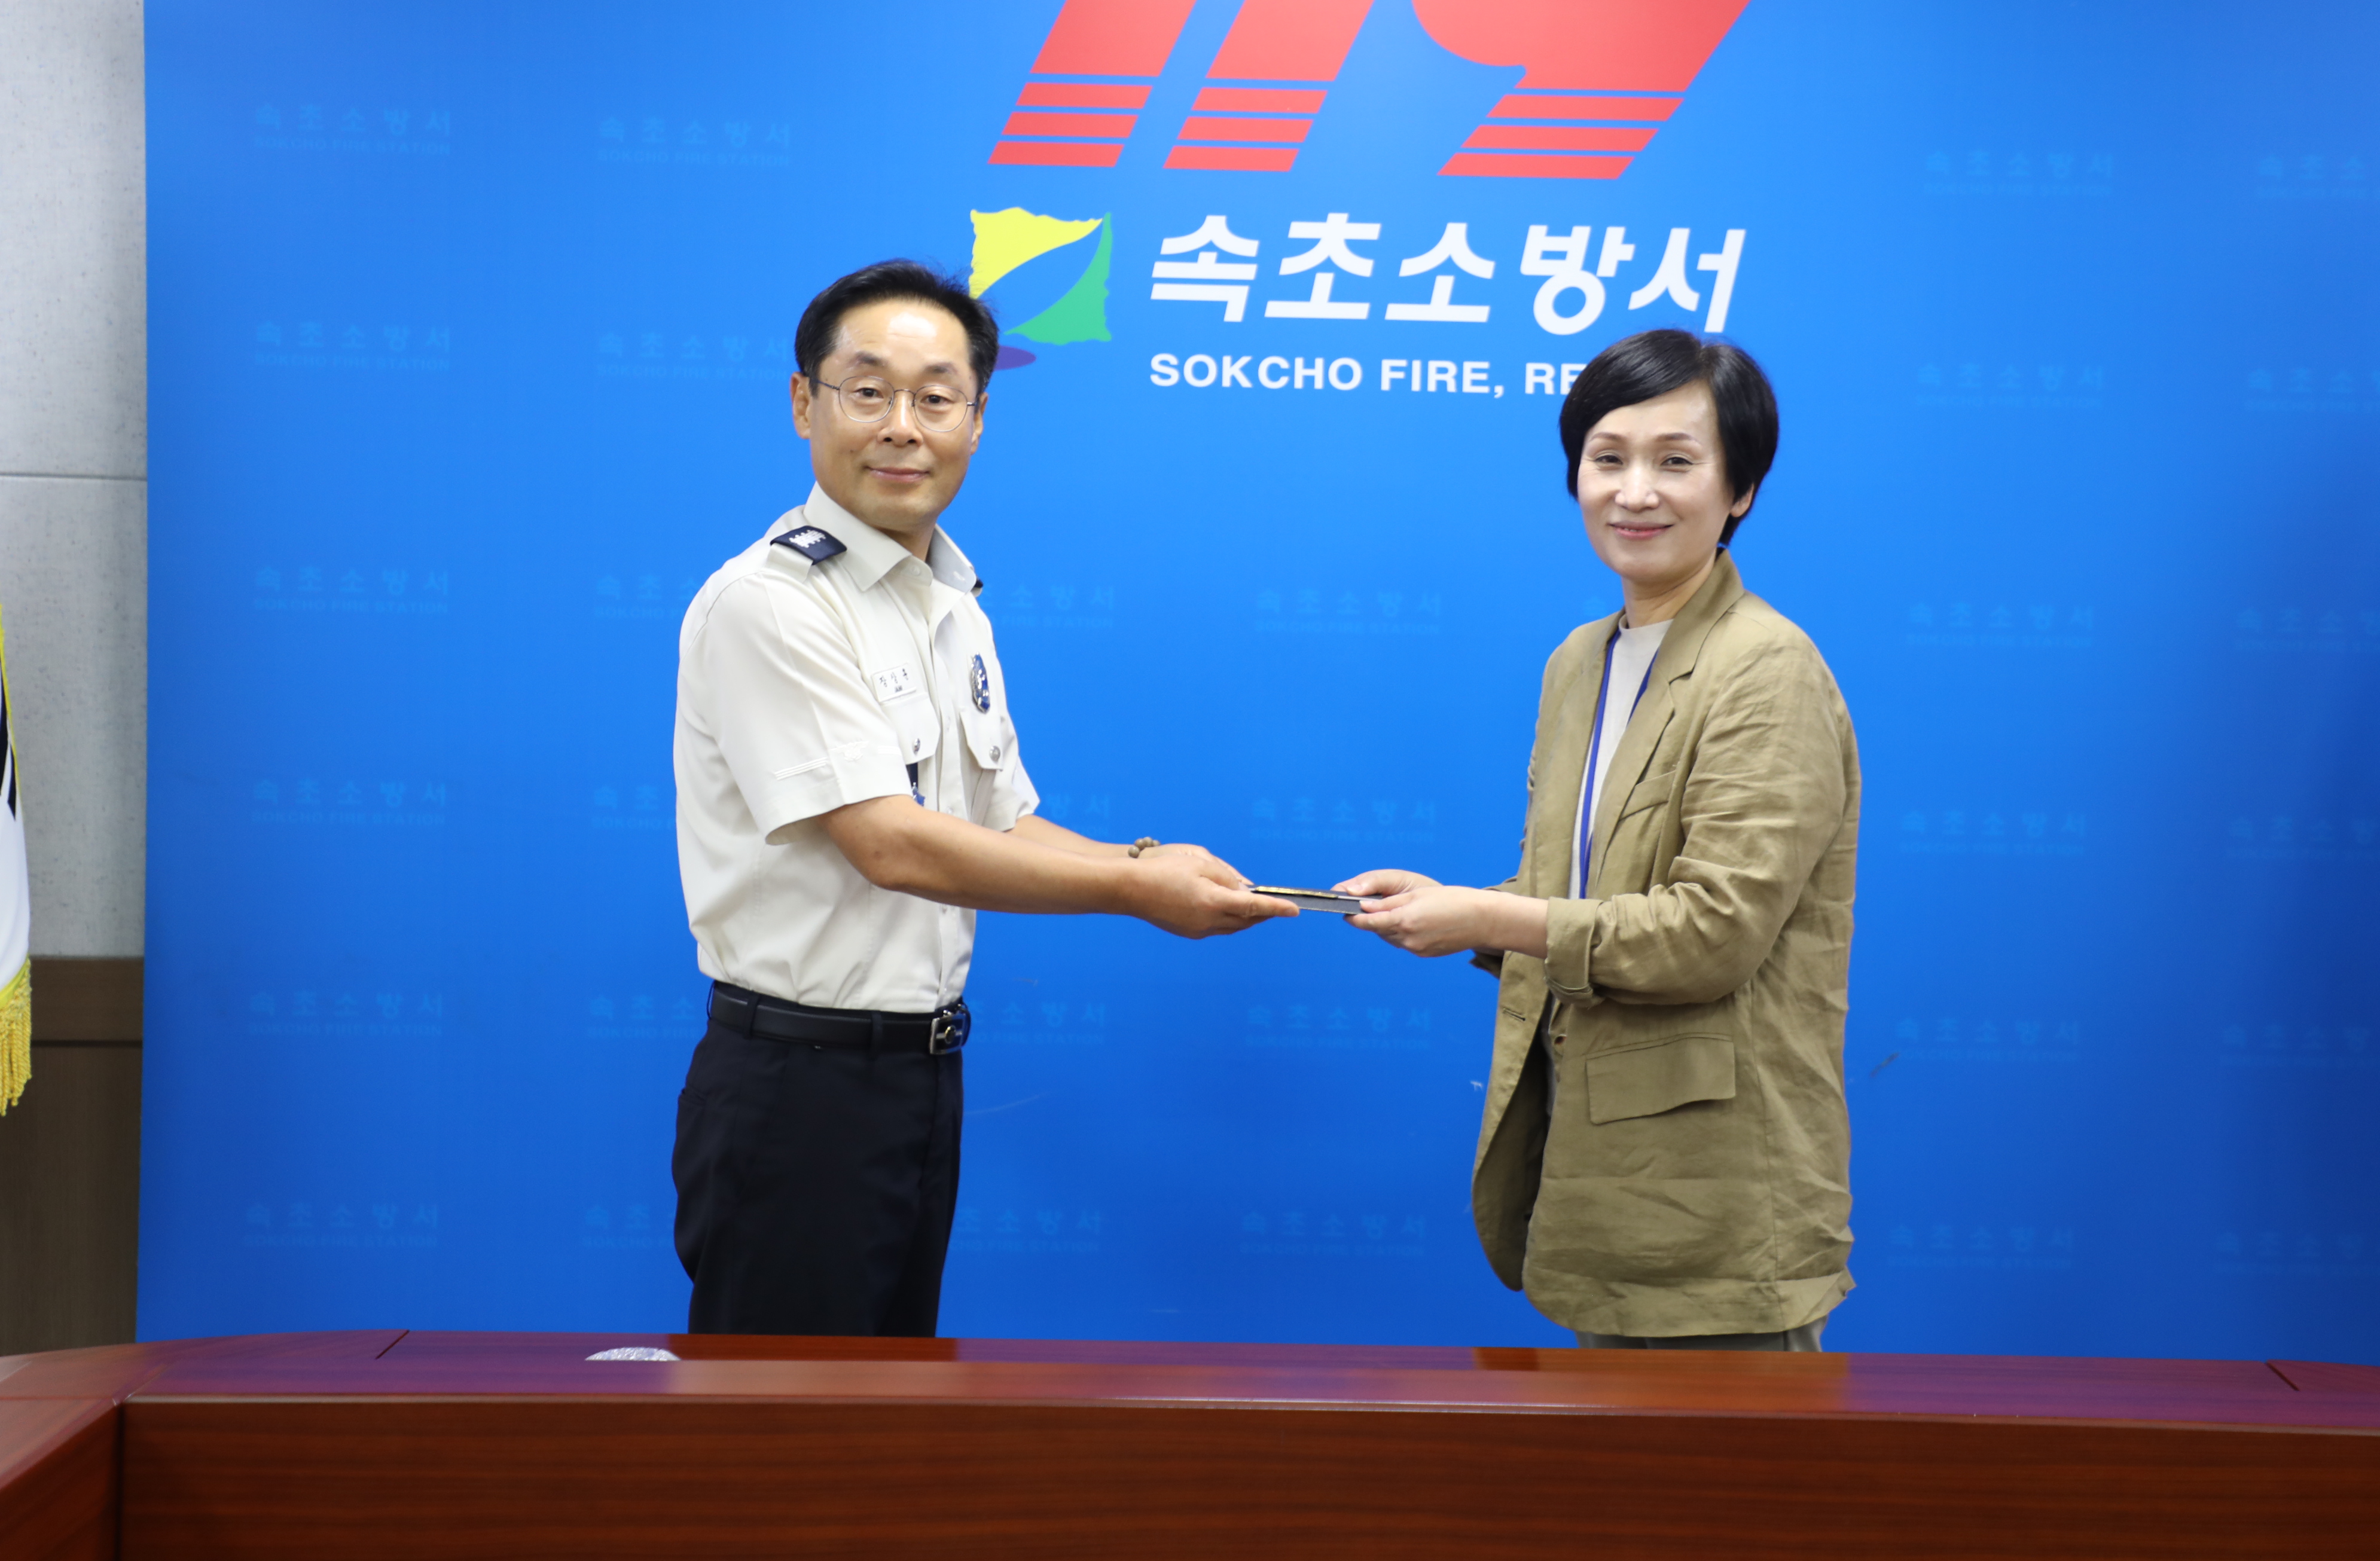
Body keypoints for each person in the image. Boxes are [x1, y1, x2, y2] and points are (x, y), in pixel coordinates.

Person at [670, 259, 1295, 1337]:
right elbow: (892, 845)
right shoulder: (771, 603)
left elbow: (998, 821)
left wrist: (1147, 862)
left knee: (889, 1408)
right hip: (797, 1090)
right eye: (868, 392)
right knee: (787, 1422)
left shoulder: (951, 603)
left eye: (936, 397)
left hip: (919, 1081)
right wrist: (1133, 893)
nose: (902, 428)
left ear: (978, 418)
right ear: (805, 403)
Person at [1339, 329, 1858, 1351]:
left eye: (1677, 461)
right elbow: (1577, 890)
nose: (1635, 492)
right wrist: (1452, 910)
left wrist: (1487, 918)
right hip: (1592, 1184)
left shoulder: (1769, 667)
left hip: (1717, 1204)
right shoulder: (1580, 661)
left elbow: (1710, 935)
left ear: (1741, 488)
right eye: (1608, 457)